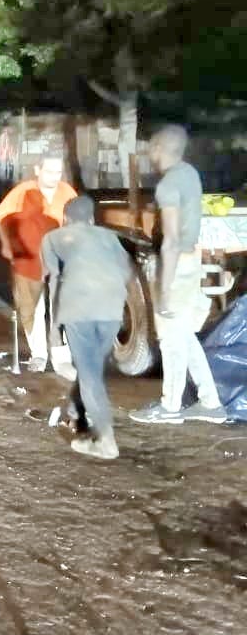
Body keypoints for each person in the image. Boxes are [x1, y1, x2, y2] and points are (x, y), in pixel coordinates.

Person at [130, 125, 228, 425]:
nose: (149, 152)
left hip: (175, 264)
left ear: (159, 148)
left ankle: (170, 407)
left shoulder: (168, 185)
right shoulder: (189, 174)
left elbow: (170, 240)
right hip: (190, 259)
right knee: (184, 335)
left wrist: (164, 289)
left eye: (151, 146)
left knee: (171, 339)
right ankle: (210, 403)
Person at [41, 196, 132, 459]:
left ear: (65, 218)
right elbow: (127, 271)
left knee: (90, 374)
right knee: (91, 366)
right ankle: (74, 411)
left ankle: (106, 441)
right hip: (111, 308)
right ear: (92, 219)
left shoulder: (53, 239)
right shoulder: (109, 237)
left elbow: (54, 281)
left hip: (78, 308)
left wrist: (54, 328)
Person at [0, 153, 78, 371]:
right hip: (29, 259)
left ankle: (61, 356)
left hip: (60, 260)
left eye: (58, 172)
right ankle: (38, 354)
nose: (54, 177)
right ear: (38, 170)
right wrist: (7, 245)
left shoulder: (67, 193)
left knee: (61, 307)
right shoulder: (22, 192)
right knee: (31, 308)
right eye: (49, 171)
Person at [0, 189, 60, 370]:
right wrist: (7, 246)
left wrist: (7, 246)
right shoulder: (47, 221)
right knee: (42, 311)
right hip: (32, 270)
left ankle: (44, 355)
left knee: (35, 312)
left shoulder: (48, 222)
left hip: (37, 270)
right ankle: (46, 355)